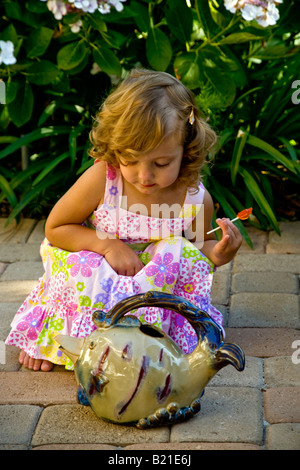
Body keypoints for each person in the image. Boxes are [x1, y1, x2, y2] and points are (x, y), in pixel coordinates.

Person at [5, 69, 242, 371]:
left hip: (153, 284)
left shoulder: (193, 197)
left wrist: (218, 252)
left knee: (177, 251)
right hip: (98, 282)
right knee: (82, 266)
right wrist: (106, 245)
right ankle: (58, 336)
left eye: (161, 163)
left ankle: (149, 340)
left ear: (187, 148)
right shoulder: (104, 179)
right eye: (131, 160)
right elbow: (56, 228)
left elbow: (198, 248)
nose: (145, 175)